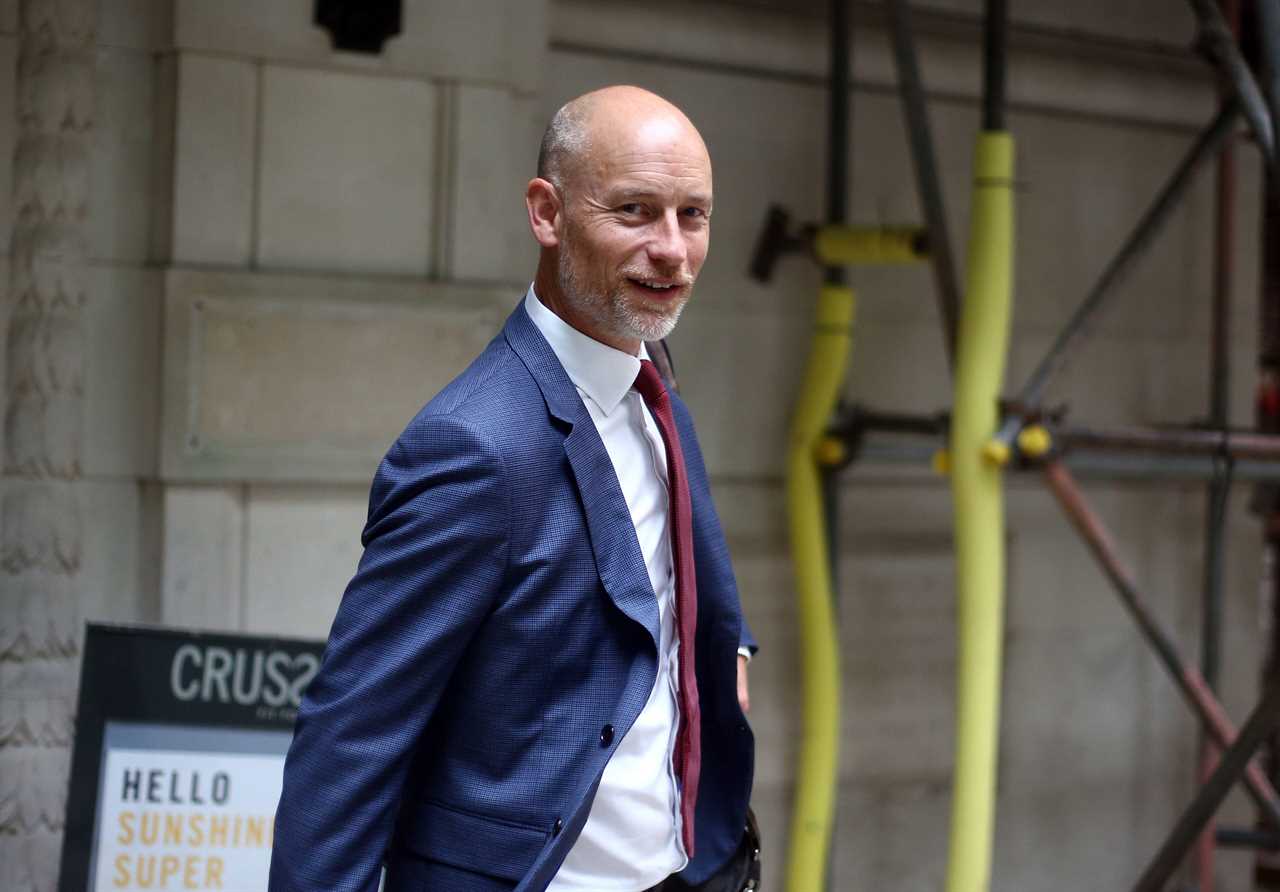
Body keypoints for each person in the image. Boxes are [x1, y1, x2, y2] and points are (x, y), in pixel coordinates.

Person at [269, 85, 757, 892]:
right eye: (634, 210)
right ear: (547, 213)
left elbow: (673, 565)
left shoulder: (649, 375)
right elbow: (351, 741)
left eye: (692, 215)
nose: (672, 248)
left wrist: (725, 642)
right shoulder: (472, 446)